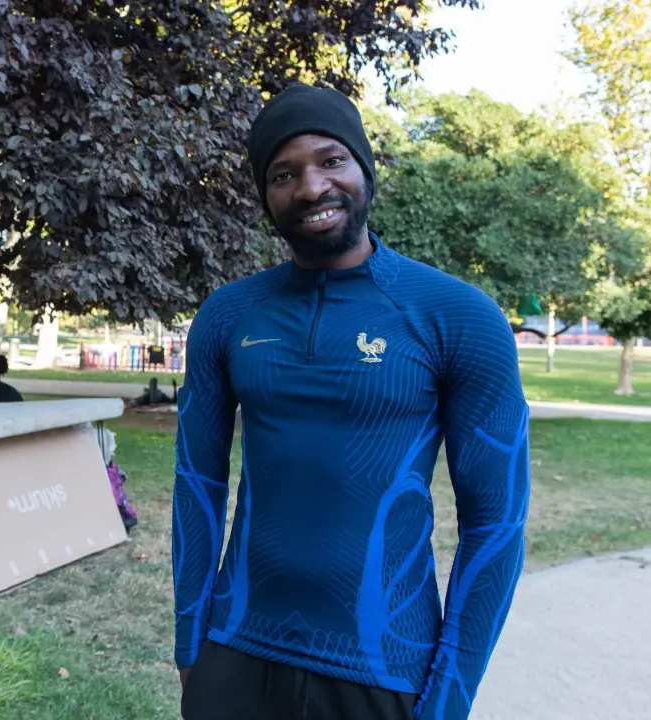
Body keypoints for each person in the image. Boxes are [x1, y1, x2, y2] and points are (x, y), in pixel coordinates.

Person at [173, 83, 529, 720]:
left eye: (331, 160)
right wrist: (189, 650)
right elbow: (197, 484)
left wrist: (448, 701)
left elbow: (495, 525)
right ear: (265, 194)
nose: (311, 188)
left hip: (385, 667)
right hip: (235, 650)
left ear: (364, 168)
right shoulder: (227, 316)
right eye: (284, 174)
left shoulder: (458, 317)